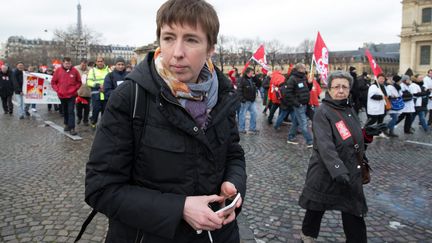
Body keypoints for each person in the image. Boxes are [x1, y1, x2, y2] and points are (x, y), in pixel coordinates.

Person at [84, 0, 246, 242]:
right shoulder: (130, 97)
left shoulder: (223, 95)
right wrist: (179, 208)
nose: (177, 52)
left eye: (191, 40)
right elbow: (101, 189)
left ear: (211, 48)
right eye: (169, 38)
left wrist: (234, 185)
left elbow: (233, 153)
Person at [299, 71, 368, 242]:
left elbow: (351, 139)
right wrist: (338, 169)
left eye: (344, 87)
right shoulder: (323, 112)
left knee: (354, 211)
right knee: (315, 208)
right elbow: (325, 145)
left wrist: (366, 135)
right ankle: (307, 238)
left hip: (349, 171)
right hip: (325, 172)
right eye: (336, 86)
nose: (341, 90)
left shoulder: (349, 108)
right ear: (329, 89)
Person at [51, 57, 82, 135]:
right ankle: (66, 124)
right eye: (66, 63)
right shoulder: (58, 71)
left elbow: (79, 82)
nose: (68, 65)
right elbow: (53, 82)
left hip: (71, 95)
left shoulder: (74, 71)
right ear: (63, 63)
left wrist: (74, 89)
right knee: (65, 111)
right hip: (62, 95)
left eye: (69, 63)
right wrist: (58, 90)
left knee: (71, 111)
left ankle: (72, 128)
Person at [285, 63, 313, 147]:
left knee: (296, 122)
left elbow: (308, 89)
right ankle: (310, 141)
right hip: (299, 105)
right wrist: (297, 103)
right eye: (304, 68)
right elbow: (287, 94)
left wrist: (309, 83)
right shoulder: (292, 79)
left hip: (305, 104)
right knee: (304, 123)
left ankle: (290, 137)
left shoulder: (304, 77)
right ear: (299, 69)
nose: (305, 69)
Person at [87, 56, 110, 128]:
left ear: (104, 62)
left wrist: (105, 86)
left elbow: (112, 81)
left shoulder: (108, 70)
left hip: (106, 93)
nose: (100, 63)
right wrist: (97, 85)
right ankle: (93, 121)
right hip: (96, 93)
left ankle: (103, 125)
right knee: (96, 109)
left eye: (101, 61)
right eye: (98, 61)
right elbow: (89, 82)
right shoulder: (92, 70)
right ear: (96, 62)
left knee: (105, 110)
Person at [237, 67, 258, 134]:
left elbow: (259, 84)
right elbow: (239, 90)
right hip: (245, 101)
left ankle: (252, 128)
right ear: (248, 72)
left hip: (252, 101)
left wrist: (256, 77)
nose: (253, 73)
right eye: (252, 72)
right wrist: (242, 99)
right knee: (242, 115)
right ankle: (241, 129)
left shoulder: (251, 79)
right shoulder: (242, 79)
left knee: (254, 113)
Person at [75, 58, 91, 126]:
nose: (84, 66)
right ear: (80, 63)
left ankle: (85, 120)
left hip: (87, 92)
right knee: (78, 107)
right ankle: (79, 117)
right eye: (82, 65)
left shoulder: (90, 70)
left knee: (87, 108)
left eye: (85, 65)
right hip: (78, 92)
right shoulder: (75, 69)